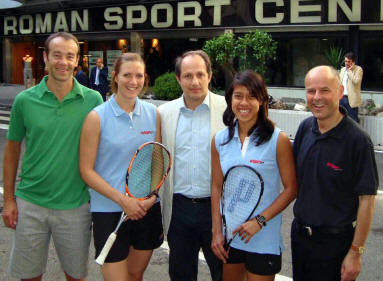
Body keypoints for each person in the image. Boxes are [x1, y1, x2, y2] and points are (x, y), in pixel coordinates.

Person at [2, 32, 103, 281]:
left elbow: (106, 150)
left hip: (76, 205)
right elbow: (12, 151)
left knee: (75, 276)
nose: (63, 62)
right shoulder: (24, 101)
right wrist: (10, 200)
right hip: (30, 203)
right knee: (29, 276)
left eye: (70, 56)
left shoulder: (93, 100)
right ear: (45, 57)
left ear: (77, 60)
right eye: (57, 55)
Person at [79, 52, 163, 281]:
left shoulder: (153, 114)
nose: (133, 82)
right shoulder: (96, 117)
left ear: (145, 78)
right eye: (127, 75)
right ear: (115, 77)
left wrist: (152, 197)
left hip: (145, 208)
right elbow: (86, 171)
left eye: (138, 76)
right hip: (109, 210)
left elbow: (157, 159)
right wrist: (122, 200)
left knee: (136, 275)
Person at [292, 65, 378, 281]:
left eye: (325, 90)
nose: (317, 97)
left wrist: (355, 252)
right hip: (300, 238)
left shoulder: (358, 141)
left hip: (335, 245)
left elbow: (367, 200)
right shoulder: (304, 129)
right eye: (311, 91)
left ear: (340, 92)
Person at [210, 70, 297, 281]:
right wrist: (216, 231)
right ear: (230, 99)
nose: (244, 102)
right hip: (230, 237)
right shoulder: (219, 140)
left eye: (251, 96)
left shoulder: (279, 140)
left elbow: (292, 188)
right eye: (238, 96)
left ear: (262, 100)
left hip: (263, 239)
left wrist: (259, 221)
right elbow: (216, 186)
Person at [158, 50, 225, 281]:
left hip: (218, 211)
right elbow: (159, 162)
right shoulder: (164, 113)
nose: (194, 81)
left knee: (224, 273)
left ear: (209, 75)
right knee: (181, 274)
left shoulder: (229, 110)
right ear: (178, 79)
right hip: (179, 210)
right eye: (187, 76)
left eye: (200, 74)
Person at [339, 52, 363, 123]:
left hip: (351, 99)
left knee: (353, 121)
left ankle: (355, 134)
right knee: (341, 120)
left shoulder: (358, 69)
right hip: (342, 98)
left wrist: (350, 71)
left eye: (349, 61)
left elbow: (356, 81)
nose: (346, 63)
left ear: (353, 62)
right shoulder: (343, 69)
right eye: (345, 61)